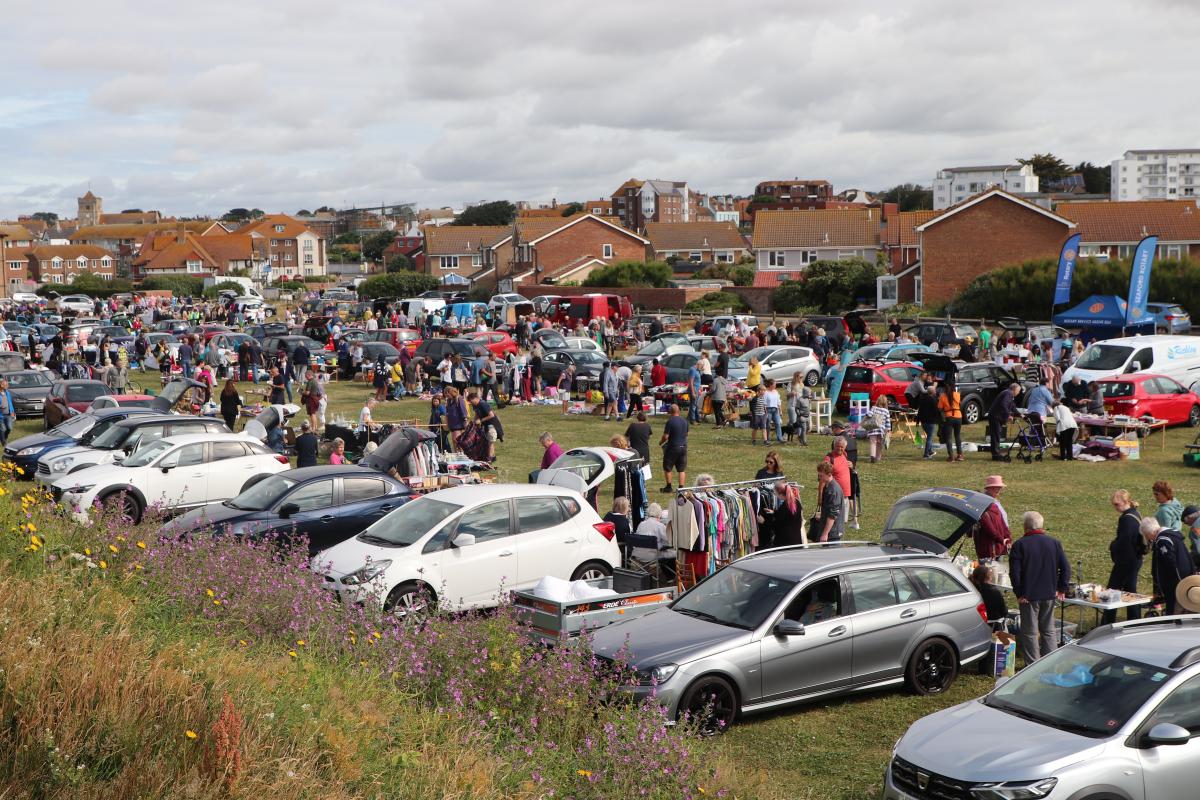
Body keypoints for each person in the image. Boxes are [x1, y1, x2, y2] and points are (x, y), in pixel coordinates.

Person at [1009, 511, 1070, 662]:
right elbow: (1066, 568)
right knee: (1048, 630)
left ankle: (1032, 664)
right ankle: (1050, 661)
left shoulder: (1019, 545)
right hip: (1049, 593)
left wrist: (1019, 593)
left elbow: (1014, 573)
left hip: (1028, 596)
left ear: (1025, 526)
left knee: (1030, 632)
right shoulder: (1054, 543)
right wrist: (1061, 588)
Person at [1102, 489, 1145, 624]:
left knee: (1112, 591)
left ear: (1126, 502)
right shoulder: (1135, 513)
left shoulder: (1126, 519)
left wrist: (1112, 546)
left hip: (1126, 561)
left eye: (1117, 504)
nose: (1115, 507)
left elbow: (1124, 541)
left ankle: (1107, 623)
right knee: (1130, 591)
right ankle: (1134, 621)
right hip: (1136, 558)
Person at [1144, 516, 1195, 616]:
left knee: (1174, 607)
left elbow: (1170, 563)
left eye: (1146, 536)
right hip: (1185, 574)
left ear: (1150, 533)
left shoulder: (1163, 540)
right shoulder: (1173, 535)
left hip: (1174, 580)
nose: (1148, 539)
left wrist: (1176, 583)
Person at [632, 502, 675, 581]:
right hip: (652, 556)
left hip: (638, 554)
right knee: (673, 552)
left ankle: (667, 575)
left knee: (662, 548)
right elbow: (670, 540)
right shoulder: (659, 526)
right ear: (659, 514)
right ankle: (670, 576)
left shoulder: (641, 524)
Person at [975, 475, 1013, 559]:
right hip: (990, 548)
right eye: (998, 487)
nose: (1000, 489)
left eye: (1000, 487)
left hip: (999, 545)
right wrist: (1002, 540)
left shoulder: (995, 503)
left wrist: (1008, 538)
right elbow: (991, 530)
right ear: (990, 488)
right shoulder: (984, 507)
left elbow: (1003, 523)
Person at [659, 403, 688, 493]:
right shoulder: (684, 421)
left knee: (668, 467)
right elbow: (686, 434)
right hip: (683, 446)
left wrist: (661, 442)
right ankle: (681, 488)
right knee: (681, 469)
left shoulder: (670, 421)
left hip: (673, 447)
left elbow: (666, 436)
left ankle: (668, 487)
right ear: (678, 411)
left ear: (670, 412)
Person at [987, 381, 1020, 461]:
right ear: (1014, 389)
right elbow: (1003, 404)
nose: (1018, 393)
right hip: (995, 416)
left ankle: (996, 453)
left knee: (997, 434)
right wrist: (1008, 415)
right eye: (1018, 391)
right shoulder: (1008, 394)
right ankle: (996, 455)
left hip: (996, 416)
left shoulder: (1009, 394)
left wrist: (1020, 414)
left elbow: (1012, 406)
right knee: (996, 435)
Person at [468, 391, 503, 461]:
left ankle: (489, 459)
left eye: (471, 401)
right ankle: (492, 457)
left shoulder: (483, 404)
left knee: (490, 441)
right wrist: (474, 421)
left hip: (491, 424)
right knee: (488, 442)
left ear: (475, 398)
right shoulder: (475, 405)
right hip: (485, 425)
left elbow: (491, 415)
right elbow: (477, 414)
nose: (470, 403)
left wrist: (480, 420)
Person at [814, 461, 844, 543]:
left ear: (829, 474)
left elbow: (833, 514)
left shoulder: (833, 490)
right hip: (829, 530)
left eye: (821, 476)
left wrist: (825, 533)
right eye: (819, 475)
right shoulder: (827, 486)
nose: (819, 478)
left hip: (833, 533)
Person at [772, 480, 806, 548]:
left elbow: (777, 525)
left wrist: (764, 521)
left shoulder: (784, 507)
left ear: (780, 494)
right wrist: (775, 512)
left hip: (785, 543)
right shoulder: (796, 502)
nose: (775, 495)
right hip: (796, 540)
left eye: (775, 493)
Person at [937, 378, 963, 462]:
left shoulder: (942, 396)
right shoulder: (958, 394)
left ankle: (951, 457)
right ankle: (960, 455)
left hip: (949, 417)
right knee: (957, 435)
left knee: (949, 437)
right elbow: (959, 404)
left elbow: (939, 408)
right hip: (958, 416)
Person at [915, 385, 942, 460]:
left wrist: (917, 421)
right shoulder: (934, 400)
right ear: (933, 392)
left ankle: (930, 451)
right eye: (935, 390)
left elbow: (920, 411)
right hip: (931, 421)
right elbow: (936, 411)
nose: (936, 391)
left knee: (929, 436)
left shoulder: (923, 399)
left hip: (923, 422)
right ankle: (926, 454)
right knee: (929, 437)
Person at [865, 396, 891, 463]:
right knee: (879, 443)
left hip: (873, 428)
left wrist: (863, 421)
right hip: (881, 430)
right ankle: (878, 457)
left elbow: (869, 415)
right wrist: (888, 431)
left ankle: (872, 456)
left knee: (873, 443)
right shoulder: (886, 411)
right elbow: (888, 423)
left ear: (878, 401)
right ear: (885, 403)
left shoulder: (874, 408)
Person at [0, 378, 13, 447]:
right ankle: (3, 442)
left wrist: (13, 411)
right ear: (1, 385)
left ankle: (4, 438)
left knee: (9, 428)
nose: (7, 386)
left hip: (8, 414)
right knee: (3, 429)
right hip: (1, 415)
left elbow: (10, 402)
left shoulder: (7, 392)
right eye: (6, 385)